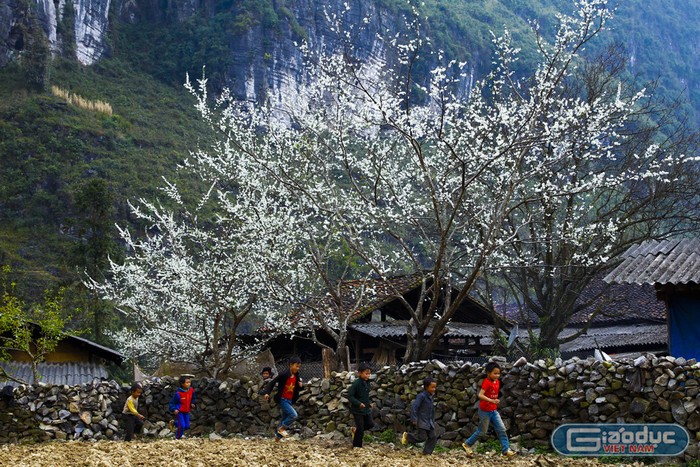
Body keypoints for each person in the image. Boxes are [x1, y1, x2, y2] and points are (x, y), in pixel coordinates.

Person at [462, 361, 516, 457]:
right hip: (485, 411)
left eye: (498, 373)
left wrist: (495, 400)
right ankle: (467, 444)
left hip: (493, 410)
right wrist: (491, 400)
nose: (497, 375)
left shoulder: (497, 382)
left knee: (502, 429)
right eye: (495, 373)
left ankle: (506, 450)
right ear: (488, 373)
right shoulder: (486, 382)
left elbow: (493, 395)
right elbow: (480, 395)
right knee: (482, 431)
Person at [261, 356, 303, 440]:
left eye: (299, 367)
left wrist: (301, 386)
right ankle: (282, 429)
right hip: (283, 400)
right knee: (294, 415)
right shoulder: (283, 374)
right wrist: (267, 393)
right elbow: (272, 383)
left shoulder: (296, 376)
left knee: (284, 419)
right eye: (296, 366)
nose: (298, 368)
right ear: (291, 365)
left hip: (290, 400)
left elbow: (297, 388)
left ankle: (277, 439)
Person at [401, 377, 439, 454]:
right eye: (432, 387)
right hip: (422, 420)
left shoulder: (430, 397)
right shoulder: (421, 396)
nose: (434, 389)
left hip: (429, 421)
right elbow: (414, 407)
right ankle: (407, 436)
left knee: (433, 437)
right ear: (426, 387)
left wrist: (432, 420)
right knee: (422, 437)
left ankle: (427, 452)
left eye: (435, 387)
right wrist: (414, 419)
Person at [348, 362, 375, 448]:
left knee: (370, 424)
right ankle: (357, 446)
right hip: (357, 410)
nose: (368, 376)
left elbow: (365, 395)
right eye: (366, 373)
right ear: (360, 373)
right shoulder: (356, 384)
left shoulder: (367, 383)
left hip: (366, 409)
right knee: (361, 430)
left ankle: (355, 430)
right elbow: (350, 396)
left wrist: (368, 404)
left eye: (369, 374)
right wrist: (358, 403)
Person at [168, 375, 196, 439]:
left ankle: (174, 423)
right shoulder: (178, 394)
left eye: (189, 382)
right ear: (182, 384)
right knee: (182, 426)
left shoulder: (191, 390)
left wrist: (192, 403)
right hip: (179, 411)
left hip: (186, 411)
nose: (189, 384)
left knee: (187, 426)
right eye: (187, 382)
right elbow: (172, 403)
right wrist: (174, 409)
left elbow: (193, 398)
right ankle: (177, 438)